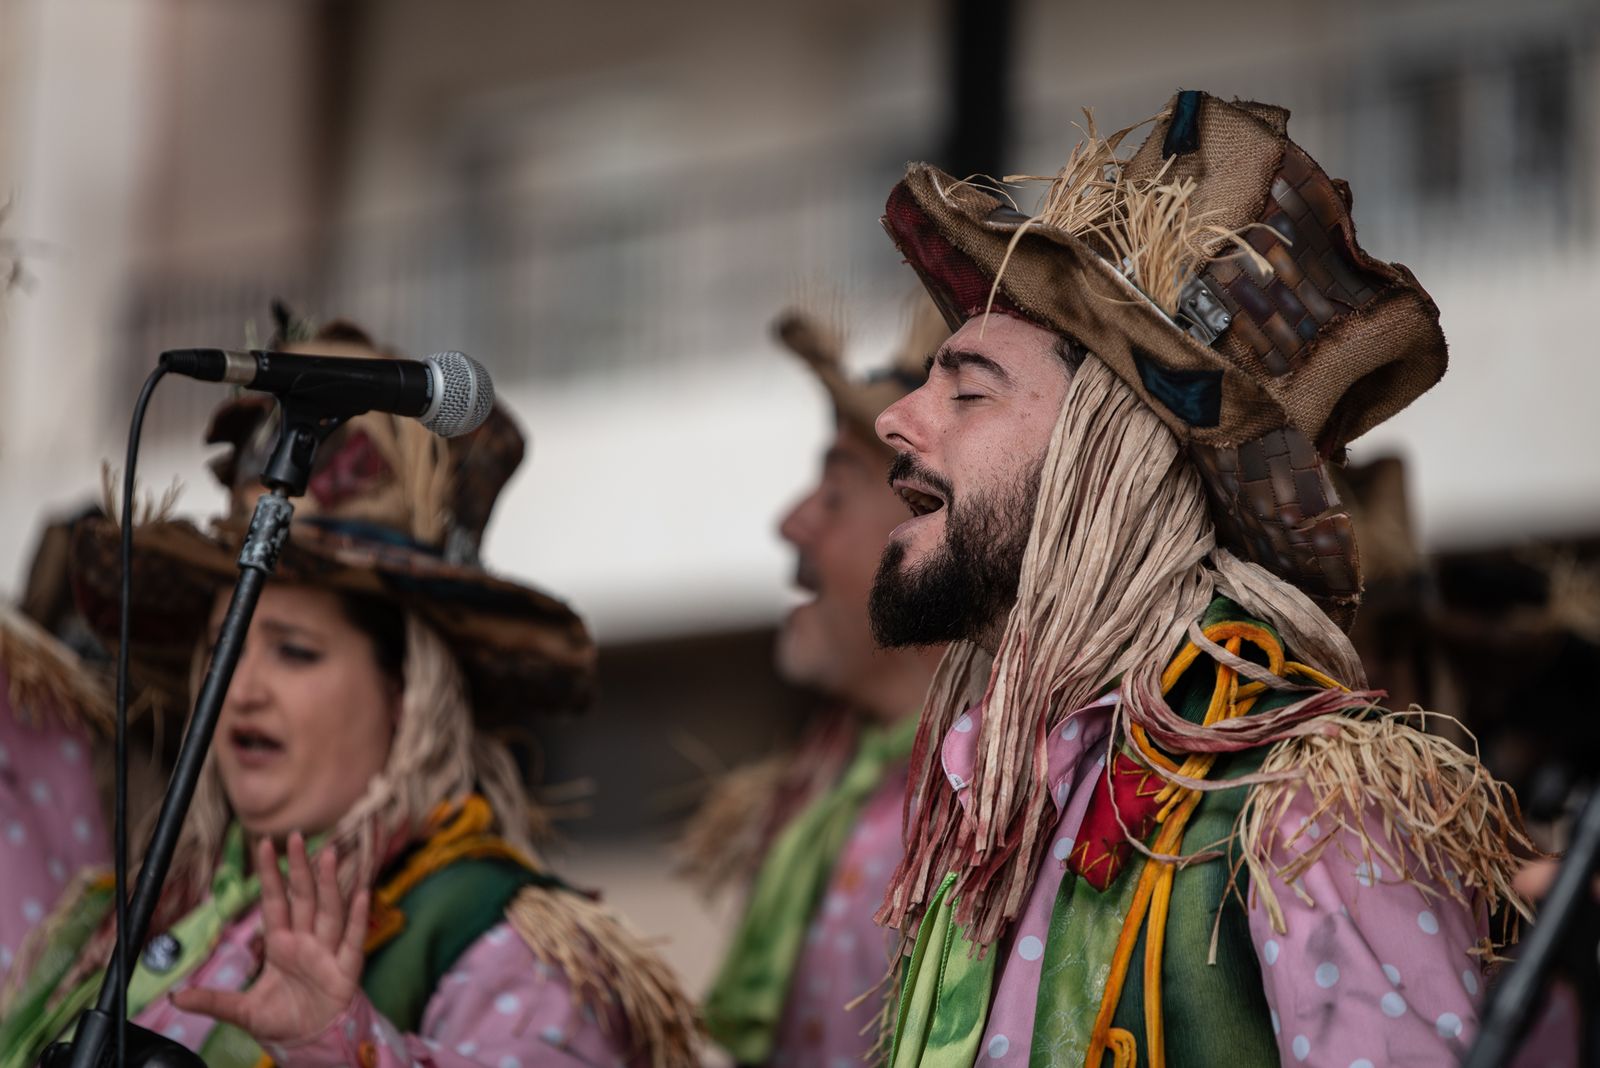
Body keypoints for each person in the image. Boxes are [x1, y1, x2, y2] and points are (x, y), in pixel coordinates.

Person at [866, 91, 1532, 1065]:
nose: (894, 420)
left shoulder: (1309, 806)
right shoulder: (990, 806)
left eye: (969, 390)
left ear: (1112, 459)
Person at [0, 319, 698, 1067]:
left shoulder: (505, 946)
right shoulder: (130, 916)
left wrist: (343, 1048)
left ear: (409, 697)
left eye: (296, 652)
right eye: (224, 648)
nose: (242, 687)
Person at [695, 300, 946, 1065]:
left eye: (835, 493)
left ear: (931, 528)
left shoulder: (1003, 803)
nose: (792, 522)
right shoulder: (823, 791)